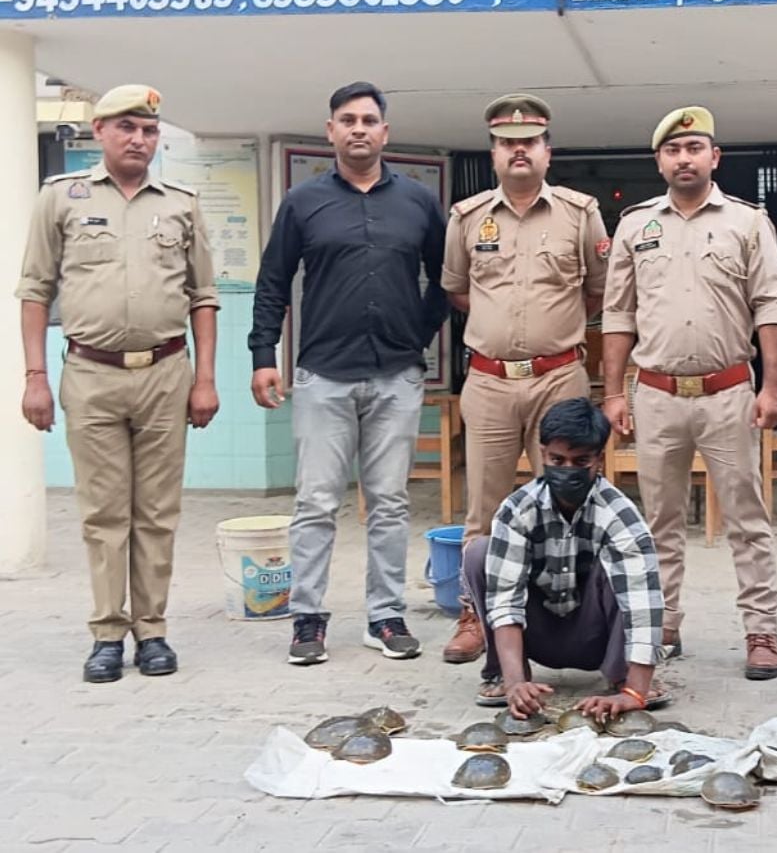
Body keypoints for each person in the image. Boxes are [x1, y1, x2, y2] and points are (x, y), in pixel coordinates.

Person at [15, 84, 220, 684]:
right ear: (98, 131)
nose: (139, 139)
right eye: (127, 127)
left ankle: (152, 630)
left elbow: (203, 298)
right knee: (104, 514)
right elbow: (35, 290)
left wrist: (204, 379)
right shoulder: (61, 199)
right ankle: (107, 632)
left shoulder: (180, 202)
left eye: (149, 130)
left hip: (164, 374)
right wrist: (35, 378)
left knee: (156, 512)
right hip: (90, 375)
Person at [248, 81, 448, 666]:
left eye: (368, 120)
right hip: (323, 376)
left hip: (396, 375)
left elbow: (445, 280)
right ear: (331, 132)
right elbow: (272, 285)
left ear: (385, 132)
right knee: (314, 502)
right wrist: (264, 356)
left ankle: (386, 617)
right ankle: (307, 620)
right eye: (347, 120)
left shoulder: (416, 203)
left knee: (389, 502)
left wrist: (417, 331)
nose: (358, 129)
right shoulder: (303, 203)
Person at [601, 106, 777, 681]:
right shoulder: (635, 225)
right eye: (674, 151)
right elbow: (618, 313)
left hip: (727, 392)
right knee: (659, 521)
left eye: (695, 148)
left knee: (746, 517)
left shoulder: (748, 222)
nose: (685, 159)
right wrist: (613, 392)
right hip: (655, 394)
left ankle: (761, 631)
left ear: (715, 157)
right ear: (659, 161)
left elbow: (771, 304)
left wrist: (775, 387)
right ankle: (663, 624)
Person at [438, 94, 610, 682]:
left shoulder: (579, 213)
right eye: (508, 142)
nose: (519, 150)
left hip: (559, 375)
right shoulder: (466, 218)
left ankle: (579, 616)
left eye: (529, 141)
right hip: (488, 380)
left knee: (572, 503)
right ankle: (473, 615)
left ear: (546, 150)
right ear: (493, 152)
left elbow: (597, 293)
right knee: (483, 509)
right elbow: (459, 292)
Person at [462, 397, 668, 717]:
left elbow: (643, 603)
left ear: (599, 459)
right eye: (557, 460)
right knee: (479, 552)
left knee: (618, 569)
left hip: (595, 635)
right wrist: (517, 683)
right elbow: (505, 599)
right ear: (542, 454)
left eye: (580, 461)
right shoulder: (517, 510)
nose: (567, 470)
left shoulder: (620, 515)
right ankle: (507, 675)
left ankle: (622, 678)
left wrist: (636, 693)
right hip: (536, 631)